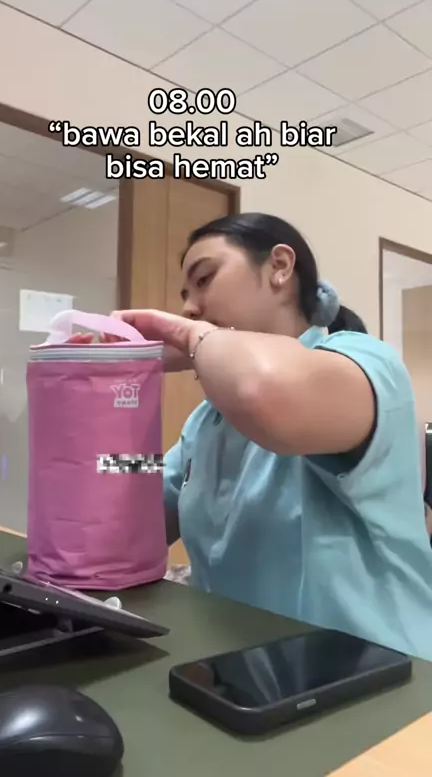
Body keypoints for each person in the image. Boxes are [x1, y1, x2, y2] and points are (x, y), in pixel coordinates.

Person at [74, 213, 432, 659]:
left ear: (279, 267)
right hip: (241, 674)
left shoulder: (365, 363)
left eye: (204, 279)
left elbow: (263, 390)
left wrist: (188, 335)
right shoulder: (207, 421)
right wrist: (109, 391)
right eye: (185, 297)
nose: (189, 307)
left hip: (381, 677)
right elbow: (138, 492)